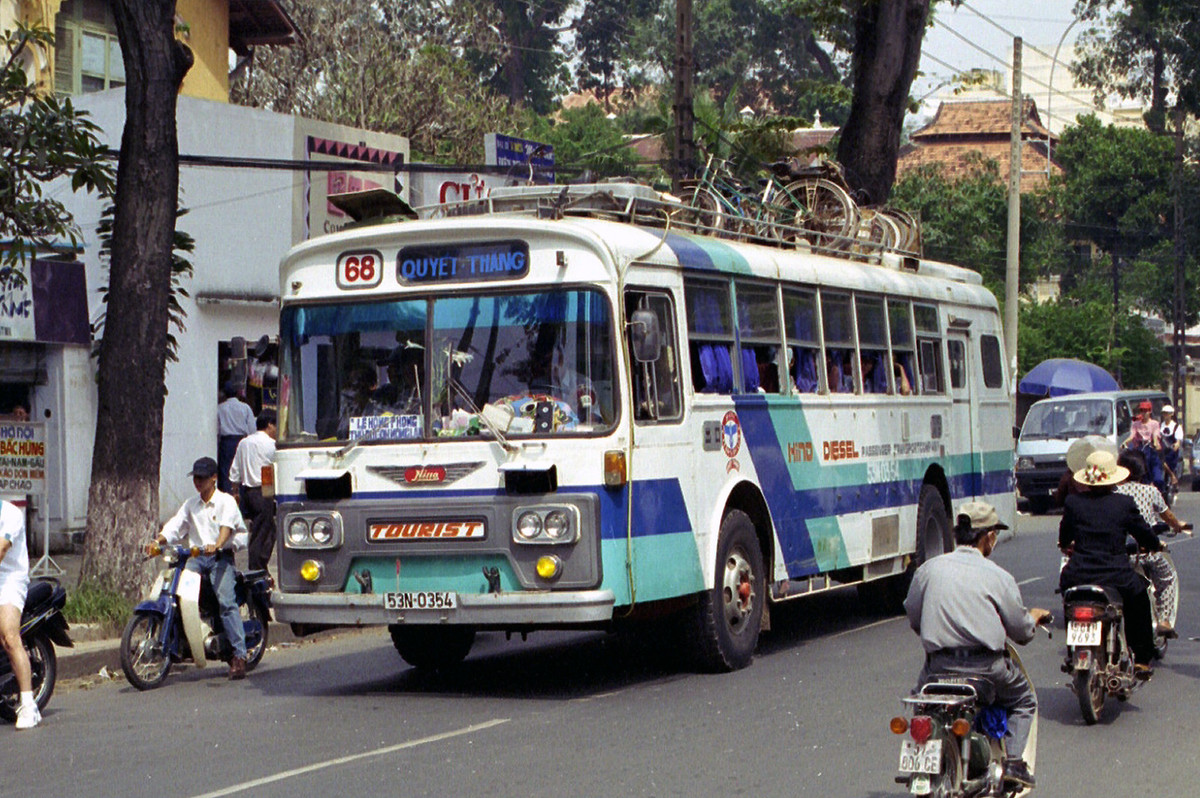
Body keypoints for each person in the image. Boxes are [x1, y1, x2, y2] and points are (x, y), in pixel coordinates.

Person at [904, 501, 1051, 789]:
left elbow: (914, 615)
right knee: (1024, 700)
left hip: (938, 668)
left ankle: (926, 752)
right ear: (988, 536)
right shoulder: (998, 576)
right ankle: (1014, 764)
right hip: (986, 670)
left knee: (922, 704)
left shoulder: (928, 570)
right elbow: (1022, 631)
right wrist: (1032, 618)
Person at [1059, 449, 1164, 676]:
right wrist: (1155, 544)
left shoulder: (1073, 502)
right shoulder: (1123, 504)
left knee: (1069, 603)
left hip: (1078, 573)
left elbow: (1064, 536)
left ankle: (1072, 651)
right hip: (1116, 575)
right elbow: (1143, 532)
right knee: (1139, 598)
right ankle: (1142, 659)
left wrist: (1067, 544)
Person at [147, 457, 249, 680]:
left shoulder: (226, 501)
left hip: (220, 557)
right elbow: (176, 525)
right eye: (195, 477)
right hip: (196, 558)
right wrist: (158, 541)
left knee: (226, 602)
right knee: (179, 593)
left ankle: (239, 655)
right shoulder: (191, 504)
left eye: (202, 477)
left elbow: (226, 528)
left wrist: (217, 545)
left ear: (214, 478)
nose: (198, 482)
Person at [1115, 449, 1190, 638]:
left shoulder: (1114, 493)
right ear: (1143, 471)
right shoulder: (1151, 491)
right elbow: (1168, 516)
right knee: (1168, 578)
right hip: (1146, 552)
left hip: (1120, 556)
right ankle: (1164, 620)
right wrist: (1178, 525)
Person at [0, 499, 39, 728]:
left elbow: (2, 548)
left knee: (9, 636)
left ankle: (28, 705)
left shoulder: (11, 514)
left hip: (10, 580)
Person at [228, 411, 277, 571]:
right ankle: (256, 568)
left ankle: (260, 565)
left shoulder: (244, 443)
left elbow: (234, 471)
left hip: (248, 492)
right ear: (270, 424)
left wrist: (235, 492)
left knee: (268, 529)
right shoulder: (271, 445)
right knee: (261, 532)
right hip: (263, 491)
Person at [217, 383, 256, 494]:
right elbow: (252, 429)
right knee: (242, 470)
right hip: (242, 441)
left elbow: (217, 429)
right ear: (238, 393)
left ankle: (228, 496)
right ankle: (241, 499)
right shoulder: (245, 407)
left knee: (226, 471)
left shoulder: (220, 408)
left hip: (226, 443)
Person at [1122, 400, 1164, 497]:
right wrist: (1125, 442)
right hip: (1140, 449)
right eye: (1142, 410)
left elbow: (1155, 435)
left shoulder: (1154, 423)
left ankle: (1160, 494)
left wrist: (1155, 442)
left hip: (1150, 448)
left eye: (1146, 410)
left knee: (1157, 477)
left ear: (1150, 411)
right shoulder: (1136, 424)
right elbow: (1132, 435)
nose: (1144, 413)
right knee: (1139, 471)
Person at [1159, 404, 1183, 488]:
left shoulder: (1176, 427)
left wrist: (1176, 445)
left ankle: (1172, 476)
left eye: (1167, 413)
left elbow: (1178, 442)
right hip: (1162, 450)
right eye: (1164, 413)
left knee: (1166, 460)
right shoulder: (1160, 426)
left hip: (1171, 451)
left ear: (1172, 414)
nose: (1166, 415)